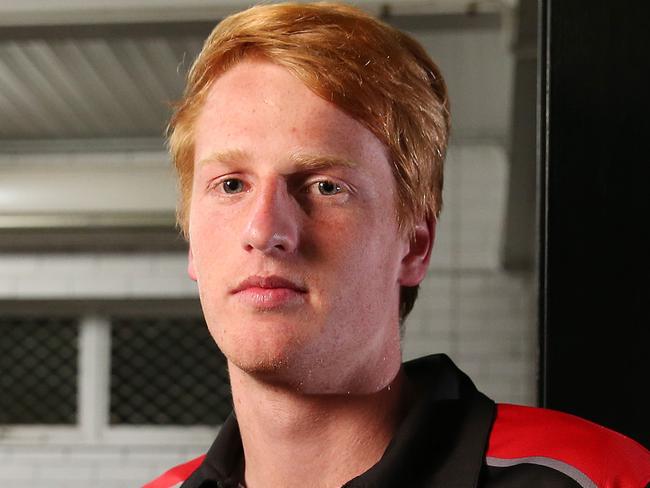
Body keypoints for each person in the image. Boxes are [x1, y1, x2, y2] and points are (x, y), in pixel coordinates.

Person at [145, 3, 650, 487]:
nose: (264, 231)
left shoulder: (604, 478)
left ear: (413, 246)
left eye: (326, 187)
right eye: (231, 185)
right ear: (191, 241)